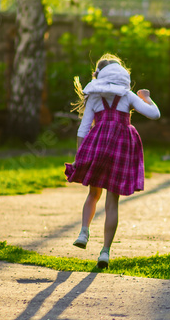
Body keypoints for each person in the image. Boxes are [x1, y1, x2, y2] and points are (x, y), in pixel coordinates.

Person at [65, 54, 160, 268]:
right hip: (121, 148)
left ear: (98, 75)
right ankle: (105, 252)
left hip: (98, 146)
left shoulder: (94, 97)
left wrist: (80, 155)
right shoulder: (127, 96)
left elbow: (83, 129)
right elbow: (154, 114)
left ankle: (83, 232)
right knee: (112, 201)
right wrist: (146, 97)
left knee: (93, 193)